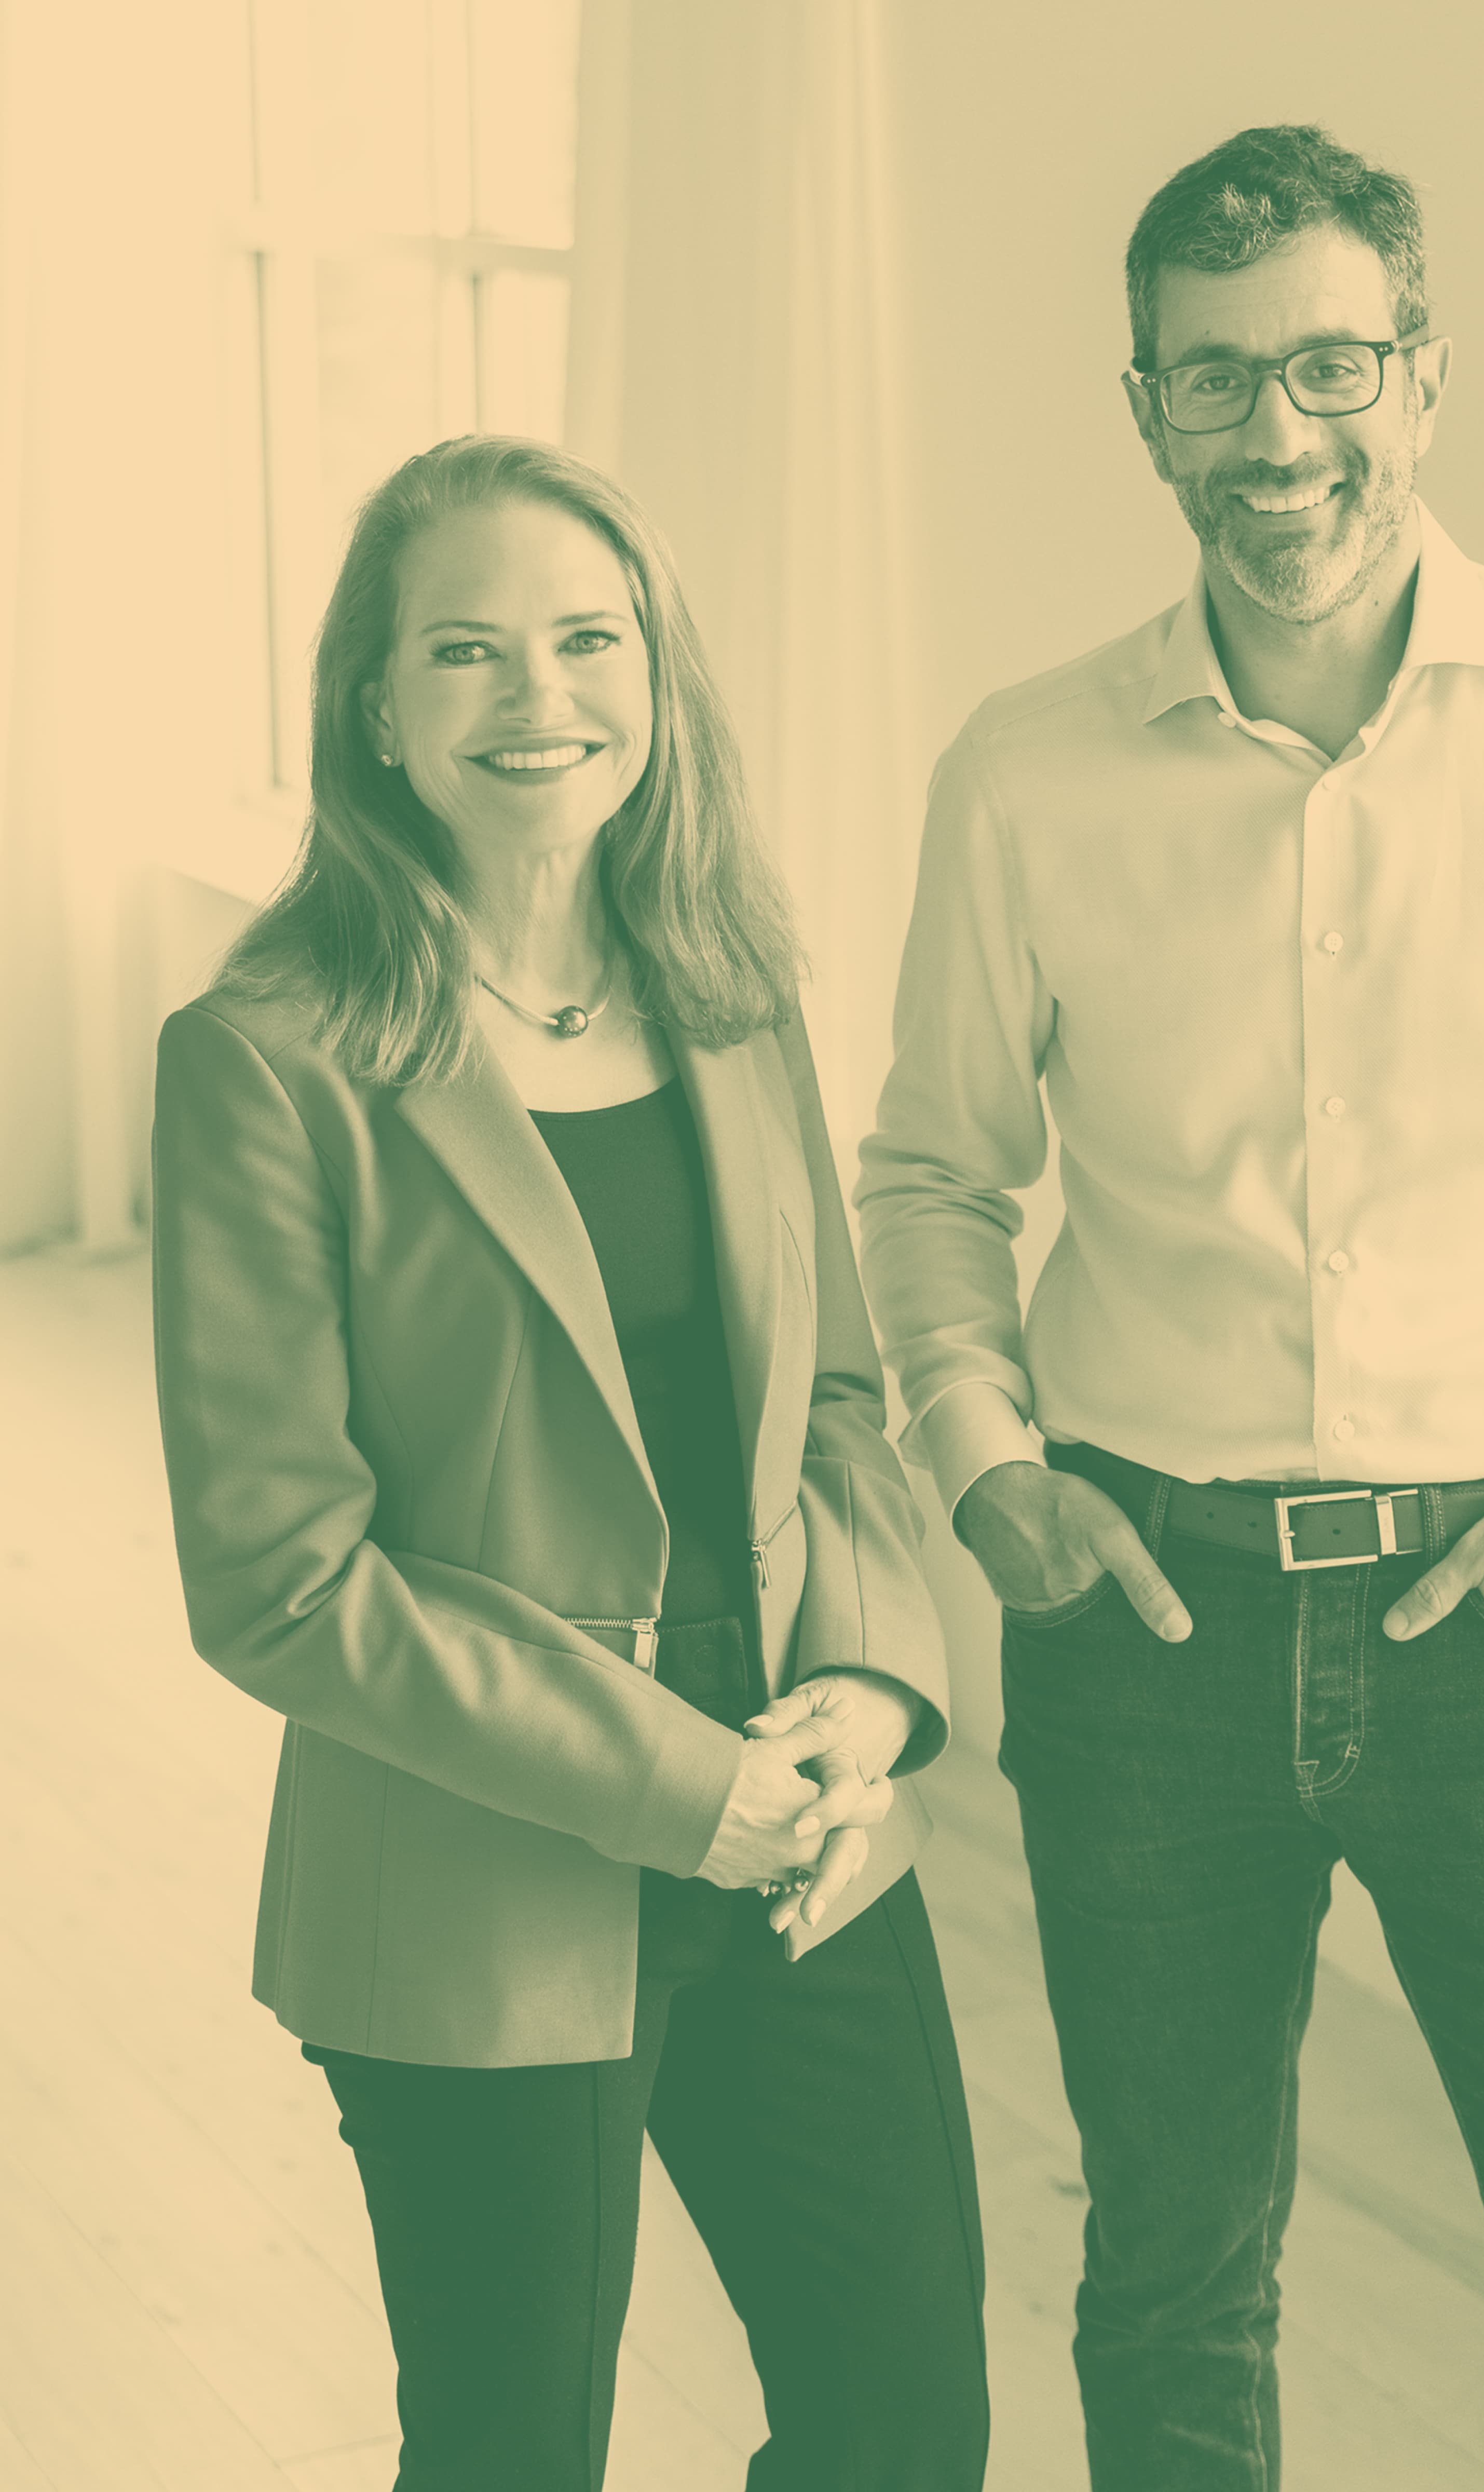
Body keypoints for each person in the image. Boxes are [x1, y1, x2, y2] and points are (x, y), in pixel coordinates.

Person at [855, 124, 1484, 2492]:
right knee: (1172, 2295)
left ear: (1427, 378)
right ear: (1143, 413)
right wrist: (988, 1465)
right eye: (1215, 384)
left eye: (1331, 368)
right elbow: (927, 1170)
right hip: (1143, 1629)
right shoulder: (1026, 770)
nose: (1278, 441)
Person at [151, 435, 988, 2492]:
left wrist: (876, 1697)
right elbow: (282, 1575)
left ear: (656, 675)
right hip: (477, 1858)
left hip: (807, 1815)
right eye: (469, 650)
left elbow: (846, 1408)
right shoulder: (263, 1055)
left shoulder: (729, 983)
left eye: (586, 639)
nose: (540, 697)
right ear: (380, 709)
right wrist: (683, 1788)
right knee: (514, 2451)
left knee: (906, 2424)